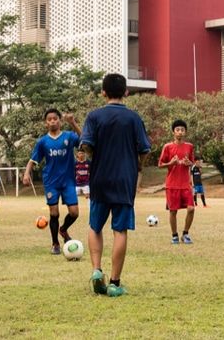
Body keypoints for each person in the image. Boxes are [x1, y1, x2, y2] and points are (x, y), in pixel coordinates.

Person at [82, 74, 151, 297]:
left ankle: (96, 270)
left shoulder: (94, 116)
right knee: (119, 230)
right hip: (124, 181)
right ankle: (114, 282)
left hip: (100, 179)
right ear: (126, 92)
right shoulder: (134, 118)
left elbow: (86, 147)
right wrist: (138, 167)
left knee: (95, 227)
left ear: (103, 92)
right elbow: (144, 150)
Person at [22, 109, 82, 255]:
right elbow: (33, 159)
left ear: (60, 121)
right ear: (46, 123)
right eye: (49, 119)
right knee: (54, 213)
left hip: (68, 181)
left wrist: (73, 122)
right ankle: (55, 243)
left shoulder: (69, 136)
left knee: (74, 213)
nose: (52, 121)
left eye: (55, 118)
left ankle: (63, 229)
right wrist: (26, 173)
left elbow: (84, 139)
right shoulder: (43, 142)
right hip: (51, 181)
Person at [159, 120, 196, 243]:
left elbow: (192, 163)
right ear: (173, 132)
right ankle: (174, 235)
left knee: (191, 209)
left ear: (185, 132)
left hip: (185, 184)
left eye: (182, 130)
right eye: (177, 129)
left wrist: (189, 163)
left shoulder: (189, 146)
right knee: (173, 211)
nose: (180, 132)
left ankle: (185, 234)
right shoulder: (167, 147)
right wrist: (171, 163)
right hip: (172, 184)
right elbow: (160, 165)